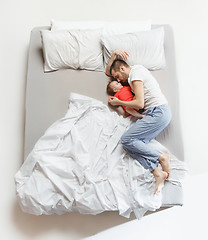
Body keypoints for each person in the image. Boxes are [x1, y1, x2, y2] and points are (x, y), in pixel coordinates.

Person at [106, 49, 172, 195]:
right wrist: (113, 55)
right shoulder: (129, 76)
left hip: (158, 111)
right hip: (155, 113)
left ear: (123, 68)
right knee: (132, 146)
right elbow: (109, 72)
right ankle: (157, 172)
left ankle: (162, 157)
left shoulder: (136, 74)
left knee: (126, 140)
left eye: (117, 76)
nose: (117, 80)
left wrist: (119, 101)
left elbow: (140, 103)